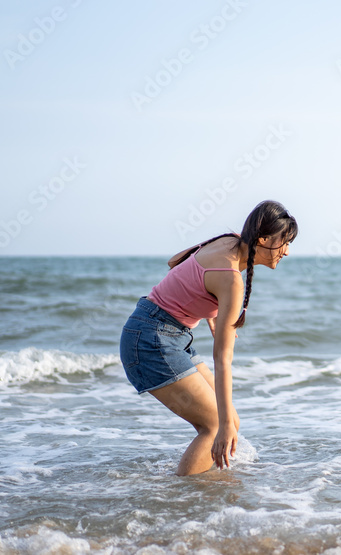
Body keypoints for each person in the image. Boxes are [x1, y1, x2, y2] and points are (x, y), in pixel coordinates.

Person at [119, 200, 298, 475]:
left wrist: (212, 314)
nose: (286, 251)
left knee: (232, 422)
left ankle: (205, 492)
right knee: (216, 426)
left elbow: (176, 262)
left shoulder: (229, 242)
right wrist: (223, 426)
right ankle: (182, 499)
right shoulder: (231, 279)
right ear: (263, 239)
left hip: (162, 333)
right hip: (152, 340)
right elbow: (223, 359)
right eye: (284, 242)